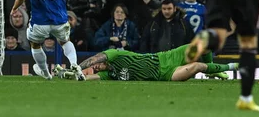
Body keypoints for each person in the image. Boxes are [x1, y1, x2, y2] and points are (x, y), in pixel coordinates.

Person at [54, 44, 238, 81]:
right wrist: (69, 75)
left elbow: (95, 59)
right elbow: (87, 79)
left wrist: (77, 66)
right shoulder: (109, 74)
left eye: (98, 64)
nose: (97, 66)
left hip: (165, 58)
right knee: (198, 66)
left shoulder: (114, 54)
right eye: (97, 68)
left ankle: (220, 70)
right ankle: (226, 68)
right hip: (165, 75)